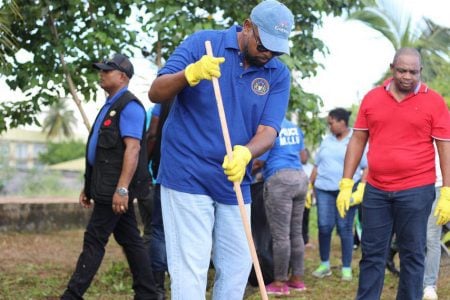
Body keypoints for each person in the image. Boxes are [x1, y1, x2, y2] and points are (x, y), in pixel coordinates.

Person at [147, 0, 294, 298]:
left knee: (238, 264)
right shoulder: (204, 43)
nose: (269, 55)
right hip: (187, 174)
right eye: (264, 45)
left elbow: (268, 131)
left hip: (234, 179)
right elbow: (156, 90)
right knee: (192, 265)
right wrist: (189, 74)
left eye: (277, 49)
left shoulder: (278, 74)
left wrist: (246, 153)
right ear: (248, 27)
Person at [337, 47, 450, 300]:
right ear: (392, 68)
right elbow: (358, 140)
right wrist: (346, 183)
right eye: (401, 70)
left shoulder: (434, 101)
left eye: (413, 72)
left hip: (417, 189)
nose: (407, 76)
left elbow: (445, 145)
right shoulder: (372, 98)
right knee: (372, 253)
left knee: (412, 253)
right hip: (376, 189)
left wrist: (447, 192)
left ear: (420, 71)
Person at [61, 53, 157, 299]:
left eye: (107, 70)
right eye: (101, 70)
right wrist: (88, 186)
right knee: (130, 239)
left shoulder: (130, 106)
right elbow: (100, 151)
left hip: (115, 189)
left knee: (94, 239)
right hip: (104, 186)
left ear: (122, 77)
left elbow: (133, 149)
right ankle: (148, 292)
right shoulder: (109, 104)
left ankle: (72, 295)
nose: (101, 74)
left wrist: (122, 189)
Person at [309, 108, 368, 281]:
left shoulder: (356, 140)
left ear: (342, 122)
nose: (329, 127)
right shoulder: (326, 141)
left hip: (346, 190)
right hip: (324, 189)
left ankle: (347, 267)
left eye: (331, 123)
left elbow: (366, 167)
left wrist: (361, 188)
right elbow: (316, 166)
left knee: (344, 228)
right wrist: (308, 186)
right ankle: (325, 264)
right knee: (324, 226)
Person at [256, 117, 309, 295]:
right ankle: (297, 279)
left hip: (280, 180)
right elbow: (303, 157)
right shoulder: (294, 127)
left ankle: (279, 283)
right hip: (300, 179)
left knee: (280, 235)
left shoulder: (268, 128)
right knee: (296, 232)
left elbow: (259, 161)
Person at [423, 150, 444, 300]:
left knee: (431, 237)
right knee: (414, 236)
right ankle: (415, 278)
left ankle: (429, 284)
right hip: (415, 184)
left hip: (440, 186)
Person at [301, 148, 314, 248]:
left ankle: (305, 240)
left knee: (305, 219)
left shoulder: (311, 167)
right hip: (298, 195)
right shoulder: (296, 166)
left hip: (307, 197)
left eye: (305, 155)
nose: (303, 157)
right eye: (302, 155)